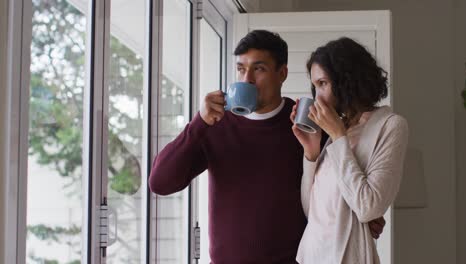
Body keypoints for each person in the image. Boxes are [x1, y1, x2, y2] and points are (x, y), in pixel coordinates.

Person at [149, 30, 384, 263]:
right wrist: (198, 122)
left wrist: (362, 221)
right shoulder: (214, 125)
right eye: (241, 69)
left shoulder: (307, 125)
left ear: (282, 73)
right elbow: (160, 182)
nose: (247, 79)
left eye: (258, 68)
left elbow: (337, 195)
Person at [291, 37, 409, 264]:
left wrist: (338, 136)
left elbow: (368, 207)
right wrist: (311, 152)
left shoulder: (390, 126)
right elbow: (312, 213)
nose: (317, 97)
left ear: (347, 81)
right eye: (315, 86)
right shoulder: (340, 129)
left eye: (323, 84)